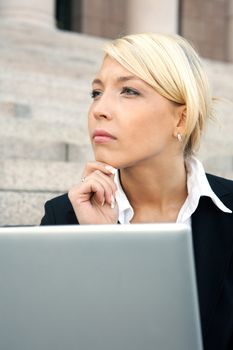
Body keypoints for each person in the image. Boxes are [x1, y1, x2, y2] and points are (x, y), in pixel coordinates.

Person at [41, 33, 233, 350]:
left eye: (128, 91)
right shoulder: (64, 216)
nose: (99, 109)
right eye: (96, 92)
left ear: (181, 118)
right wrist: (104, 247)